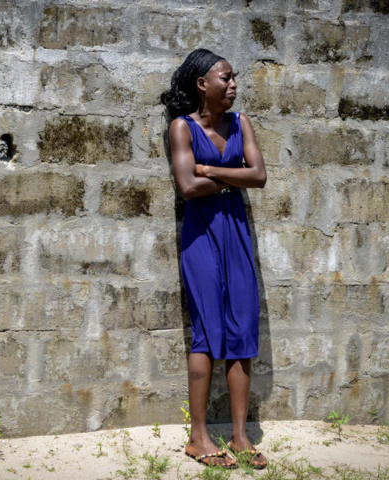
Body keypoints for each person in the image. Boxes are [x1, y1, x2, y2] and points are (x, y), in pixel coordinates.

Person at [161, 49, 267, 469]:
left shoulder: (241, 123)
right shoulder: (181, 128)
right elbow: (187, 187)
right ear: (202, 84)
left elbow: (258, 176)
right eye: (225, 78)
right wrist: (226, 174)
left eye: (234, 77)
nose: (233, 84)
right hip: (201, 236)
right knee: (207, 330)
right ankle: (199, 438)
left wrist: (212, 171)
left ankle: (240, 436)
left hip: (236, 232)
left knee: (242, 328)